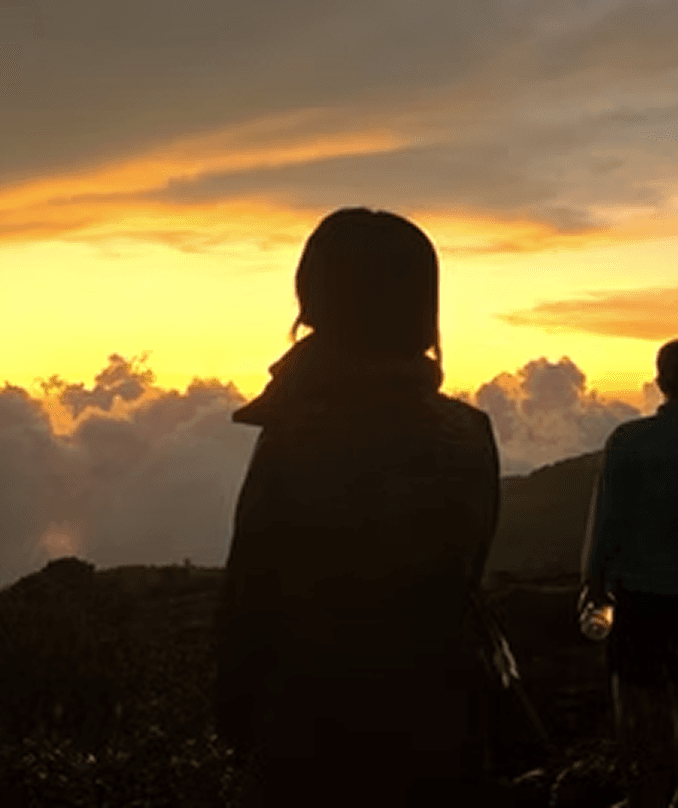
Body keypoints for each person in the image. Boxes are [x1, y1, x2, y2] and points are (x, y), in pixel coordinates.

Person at [212, 208, 501, 807]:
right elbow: (464, 582)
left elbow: (250, 600)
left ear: (316, 299)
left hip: (311, 745)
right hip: (441, 737)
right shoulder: (472, 433)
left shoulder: (296, 433)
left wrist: (239, 725)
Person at [582, 338, 678, 808]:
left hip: (638, 598)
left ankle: (644, 794)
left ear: (661, 380)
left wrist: (592, 579)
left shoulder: (626, 441)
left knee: (640, 711)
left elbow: (605, 521)